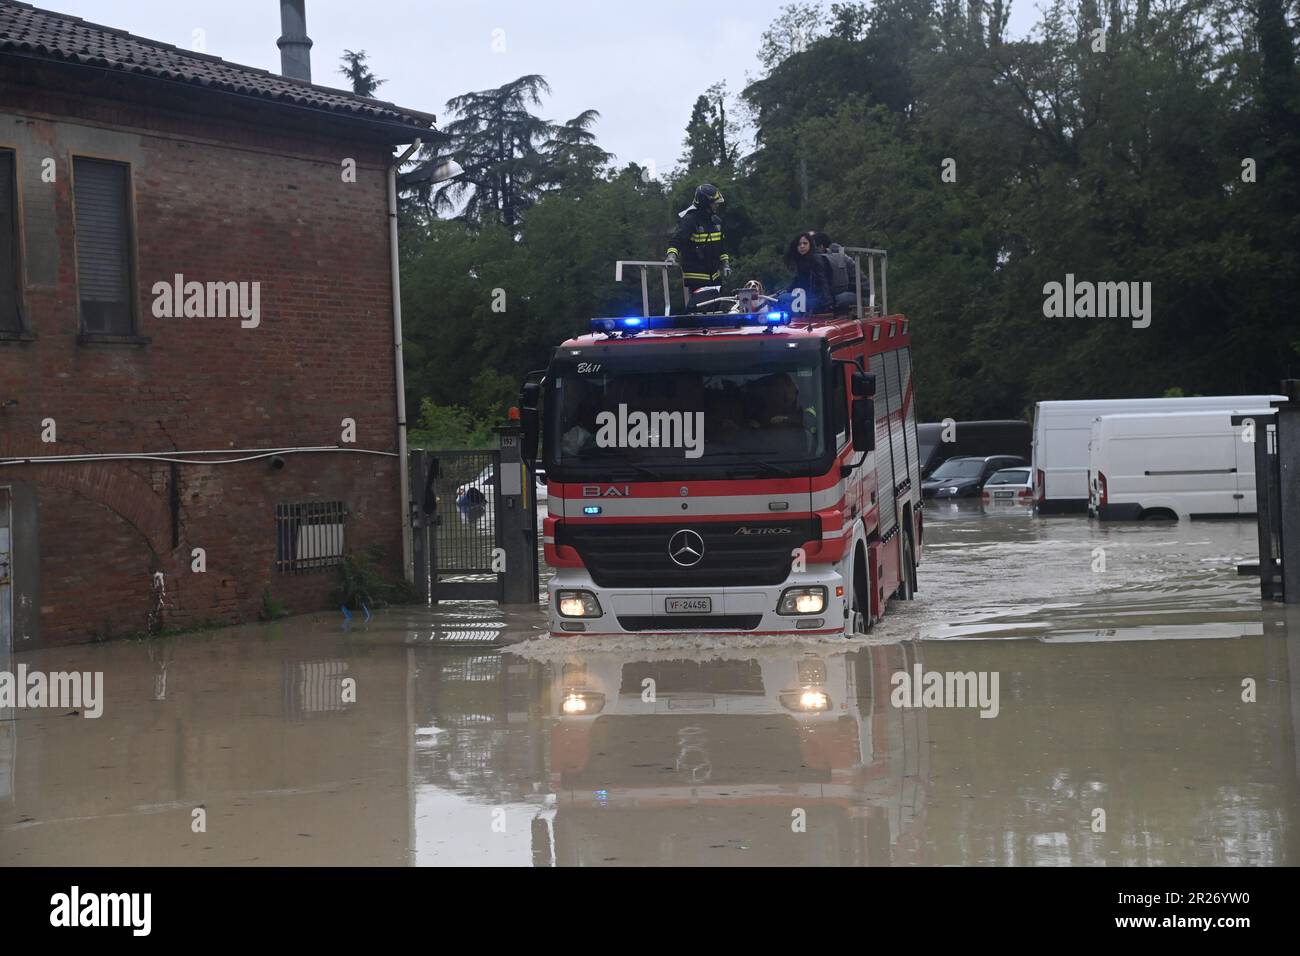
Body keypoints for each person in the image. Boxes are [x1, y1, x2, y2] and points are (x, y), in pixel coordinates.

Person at [665, 183, 731, 311]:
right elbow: (677, 239)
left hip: (715, 277)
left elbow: (721, 247)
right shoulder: (690, 220)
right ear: (705, 203)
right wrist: (671, 256)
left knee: (713, 310)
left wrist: (725, 263)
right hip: (697, 277)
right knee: (699, 310)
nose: (717, 205)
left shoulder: (715, 222)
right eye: (714, 202)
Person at [783, 231, 831, 315]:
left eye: (805, 243)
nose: (802, 246)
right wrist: (784, 291)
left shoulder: (816, 260)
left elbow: (823, 281)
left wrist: (826, 303)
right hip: (804, 296)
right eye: (799, 244)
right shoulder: (800, 261)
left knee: (783, 299)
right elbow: (796, 282)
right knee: (780, 297)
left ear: (810, 245)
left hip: (815, 298)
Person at [813, 232, 859, 311]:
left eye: (812, 247)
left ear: (821, 247)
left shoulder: (834, 259)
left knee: (839, 299)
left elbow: (836, 285)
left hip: (856, 294)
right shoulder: (827, 258)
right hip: (845, 292)